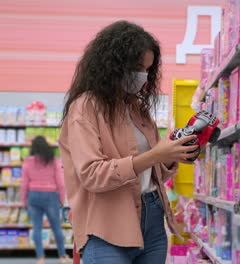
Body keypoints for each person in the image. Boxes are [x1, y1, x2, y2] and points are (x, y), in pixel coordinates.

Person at [59, 21, 198, 264]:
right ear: (113, 64)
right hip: (107, 225)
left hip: (153, 217)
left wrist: (172, 153)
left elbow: (153, 171)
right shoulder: (85, 108)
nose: (142, 76)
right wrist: (155, 155)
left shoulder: (137, 109)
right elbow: (92, 174)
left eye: (147, 69)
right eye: (136, 67)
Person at [21, 136, 71, 264]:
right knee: (56, 227)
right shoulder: (54, 160)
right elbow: (60, 183)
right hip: (50, 196)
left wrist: (23, 201)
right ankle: (62, 257)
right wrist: (61, 199)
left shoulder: (28, 161)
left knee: (37, 228)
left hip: (33, 196)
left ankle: (41, 258)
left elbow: (24, 184)